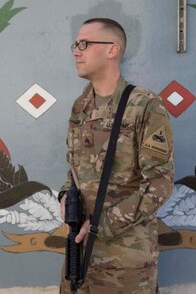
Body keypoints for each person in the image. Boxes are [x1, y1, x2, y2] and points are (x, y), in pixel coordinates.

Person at [59, 18, 174, 294]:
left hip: (125, 265)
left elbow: (159, 184)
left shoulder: (144, 105)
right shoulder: (81, 106)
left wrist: (101, 225)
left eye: (84, 44)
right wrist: (65, 195)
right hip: (78, 256)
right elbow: (73, 167)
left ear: (112, 50)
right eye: (76, 44)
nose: (76, 51)